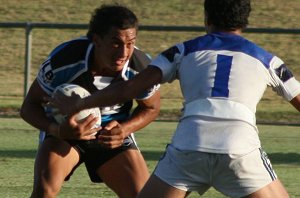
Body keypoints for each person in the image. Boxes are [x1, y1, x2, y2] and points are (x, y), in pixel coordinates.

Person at [49, 0, 300, 197]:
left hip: (190, 145)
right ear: (246, 20)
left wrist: (80, 104)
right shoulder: (268, 60)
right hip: (240, 148)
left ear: (206, 17)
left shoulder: (182, 51)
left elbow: (129, 89)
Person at [20, 4, 160, 198]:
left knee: (142, 195)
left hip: (111, 134)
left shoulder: (141, 68)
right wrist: (58, 130)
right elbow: (29, 107)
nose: (123, 53)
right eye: (115, 43)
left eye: (130, 44)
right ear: (97, 40)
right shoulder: (65, 60)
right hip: (65, 133)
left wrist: (124, 130)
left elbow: (151, 108)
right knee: (44, 191)